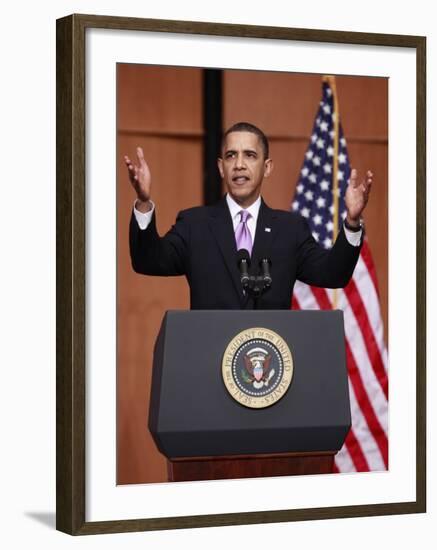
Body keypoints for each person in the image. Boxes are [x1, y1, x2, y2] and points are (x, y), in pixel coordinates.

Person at [125, 122, 372, 310]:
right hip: (209, 367)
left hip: (271, 369)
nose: (239, 164)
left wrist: (351, 223)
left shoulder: (290, 229)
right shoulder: (194, 224)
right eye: (231, 155)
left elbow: (333, 273)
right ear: (221, 168)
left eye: (250, 155)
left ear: (267, 167)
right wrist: (144, 202)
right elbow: (148, 260)